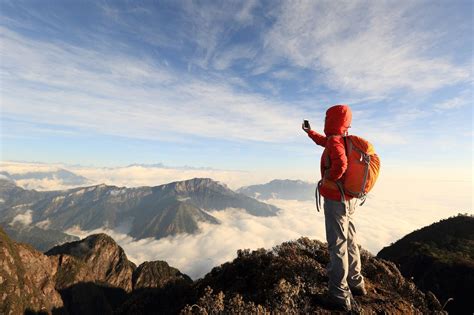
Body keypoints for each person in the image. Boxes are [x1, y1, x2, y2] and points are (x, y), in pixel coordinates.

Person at [302, 104, 366, 312]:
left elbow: (341, 164)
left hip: (336, 200)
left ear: (332, 119)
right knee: (350, 239)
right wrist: (310, 132)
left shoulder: (337, 142)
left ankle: (338, 294)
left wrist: (329, 178)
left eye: (326, 117)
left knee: (337, 244)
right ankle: (356, 283)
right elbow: (325, 142)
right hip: (348, 199)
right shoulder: (340, 139)